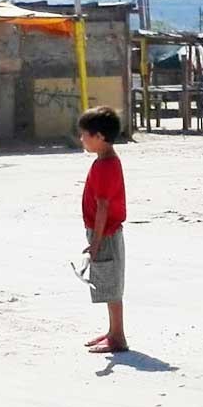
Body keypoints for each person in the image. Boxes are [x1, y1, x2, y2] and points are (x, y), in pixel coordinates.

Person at [77, 106, 129, 354]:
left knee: (111, 285)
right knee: (108, 284)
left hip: (106, 233)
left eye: (85, 135)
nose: (82, 139)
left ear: (99, 137)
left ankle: (118, 336)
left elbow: (103, 207)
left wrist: (96, 242)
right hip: (103, 232)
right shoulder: (104, 161)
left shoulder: (106, 166)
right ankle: (112, 331)